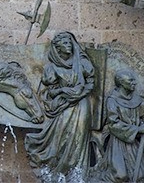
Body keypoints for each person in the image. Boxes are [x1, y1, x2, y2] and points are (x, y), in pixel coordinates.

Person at [24, 31, 95, 177]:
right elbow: (50, 90)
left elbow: (91, 82)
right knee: (61, 134)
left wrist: (78, 94)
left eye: (69, 43)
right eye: (64, 43)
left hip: (81, 104)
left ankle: (77, 173)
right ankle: (58, 170)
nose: (68, 45)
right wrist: (64, 92)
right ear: (57, 48)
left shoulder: (82, 63)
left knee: (79, 136)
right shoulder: (52, 67)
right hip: (63, 105)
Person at [101, 69, 144, 182]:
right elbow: (113, 124)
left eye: (134, 80)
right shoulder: (112, 100)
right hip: (118, 144)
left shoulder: (137, 100)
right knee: (120, 175)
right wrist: (138, 130)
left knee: (141, 175)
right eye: (130, 80)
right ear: (121, 83)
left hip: (134, 145)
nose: (134, 83)